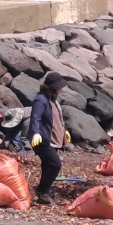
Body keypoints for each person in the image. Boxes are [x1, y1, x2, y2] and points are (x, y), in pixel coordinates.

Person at [27, 72, 69, 205]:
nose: (61, 89)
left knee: (47, 166)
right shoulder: (41, 100)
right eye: (59, 87)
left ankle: (43, 194)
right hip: (42, 139)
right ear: (53, 87)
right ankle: (41, 191)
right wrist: (36, 133)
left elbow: (57, 119)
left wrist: (64, 131)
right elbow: (35, 117)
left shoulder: (52, 100)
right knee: (55, 165)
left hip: (54, 139)